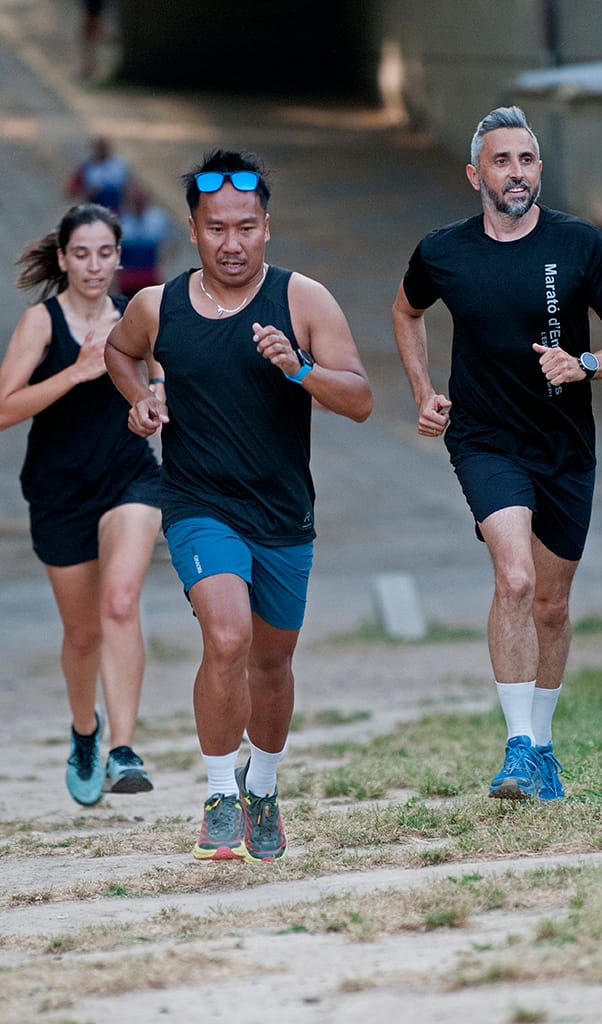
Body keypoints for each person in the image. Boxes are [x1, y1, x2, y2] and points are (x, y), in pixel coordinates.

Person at [104, 149, 372, 862]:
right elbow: (119, 353)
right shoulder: (157, 307)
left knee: (272, 666)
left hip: (284, 512)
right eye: (216, 227)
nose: (232, 242)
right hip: (198, 503)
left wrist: (300, 366)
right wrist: (144, 400)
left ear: (267, 227)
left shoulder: (303, 299)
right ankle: (220, 791)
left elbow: (361, 401)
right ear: (192, 230)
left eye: (246, 227)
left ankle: (263, 787)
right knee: (227, 638)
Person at [391, 106, 602, 802]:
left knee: (551, 602)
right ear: (475, 173)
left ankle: (542, 745)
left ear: (540, 170)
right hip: (484, 439)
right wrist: (423, 388)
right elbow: (405, 311)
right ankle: (514, 749)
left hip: (565, 444)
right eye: (503, 161)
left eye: (527, 160)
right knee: (512, 579)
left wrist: (586, 364)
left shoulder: (580, 244)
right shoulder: (442, 251)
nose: (517, 172)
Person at [0, 204, 163, 807]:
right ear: (64, 258)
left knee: (121, 601)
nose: (94, 265)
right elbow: (3, 408)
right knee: (82, 633)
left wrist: (155, 401)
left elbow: (161, 377)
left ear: (120, 257)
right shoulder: (41, 324)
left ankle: (124, 749)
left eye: (105, 253)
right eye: (81, 253)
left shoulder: (138, 315)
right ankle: (85, 732)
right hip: (59, 492)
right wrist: (74, 372)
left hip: (130, 480)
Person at [116, 182, 177, 298]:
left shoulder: (157, 219)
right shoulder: (121, 221)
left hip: (149, 274)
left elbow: (171, 243)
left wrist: (165, 255)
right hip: (128, 277)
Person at [65, 136, 130, 213]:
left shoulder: (119, 166)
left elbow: (132, 188)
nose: (101, 150)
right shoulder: (87, 168)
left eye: (103, 147)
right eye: (99, 148)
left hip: (117, 211)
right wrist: (86, 192)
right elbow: (70, 191)